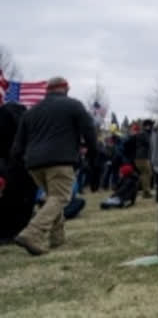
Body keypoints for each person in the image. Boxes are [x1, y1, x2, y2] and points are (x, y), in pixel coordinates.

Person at [11, 77, 96, 255]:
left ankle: (57, 238)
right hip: (60, 160)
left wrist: (18, 161)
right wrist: (92, 152)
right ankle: (32, 233)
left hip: (34, 163)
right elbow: (89, 129)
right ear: (65, 89)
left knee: (52, 198)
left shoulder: (31, 111)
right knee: (60, 198)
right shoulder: (73, 105)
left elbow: (18, 144)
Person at [0, 102, 37, 244]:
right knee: (25, 199)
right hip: (28, 162)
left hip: (9, 163)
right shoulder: (28, 122)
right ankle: (20, 229)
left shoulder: (4, 118)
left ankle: (7, 232)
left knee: (9, 199)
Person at [123, 119, 153, 198]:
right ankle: (146, 192)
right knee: (146, 174)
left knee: (146, 174)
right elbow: (148, 143)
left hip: (139, 157)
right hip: (142, 157)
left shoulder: (138, 135)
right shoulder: (143, 134)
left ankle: (141, 190)